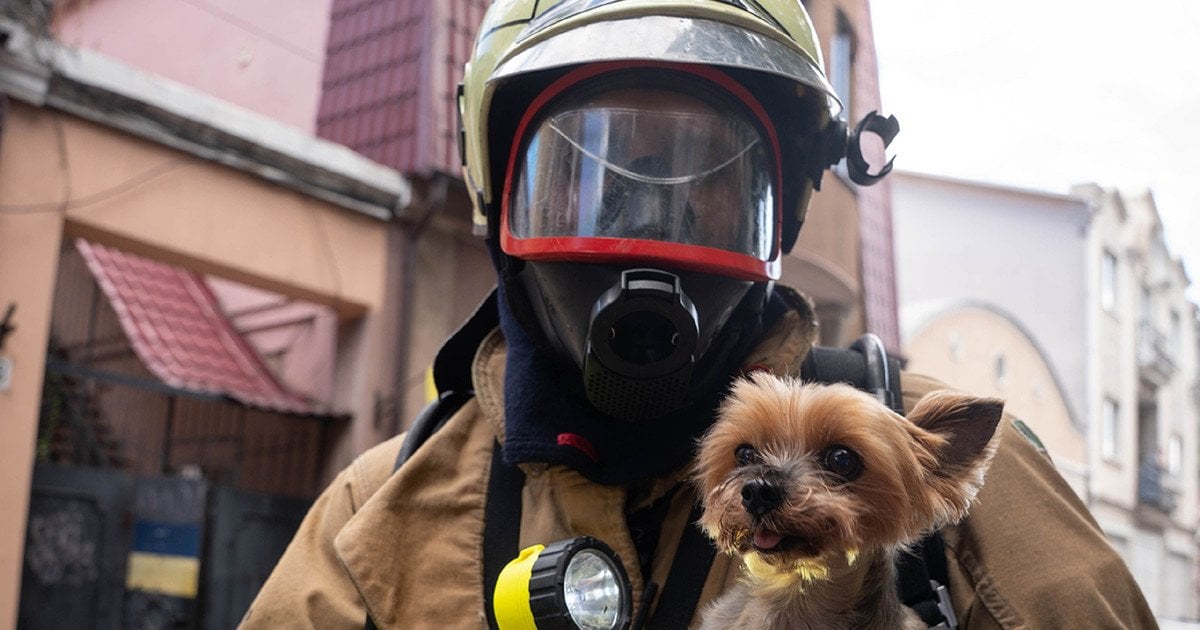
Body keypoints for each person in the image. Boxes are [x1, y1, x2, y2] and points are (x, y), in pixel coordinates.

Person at [241, 1, 1156, 628]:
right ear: (502, 199)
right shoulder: (379, 509)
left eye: (712, 181)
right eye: (586, 176)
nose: (650, 226)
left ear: (782, 212)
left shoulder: (935, 454)